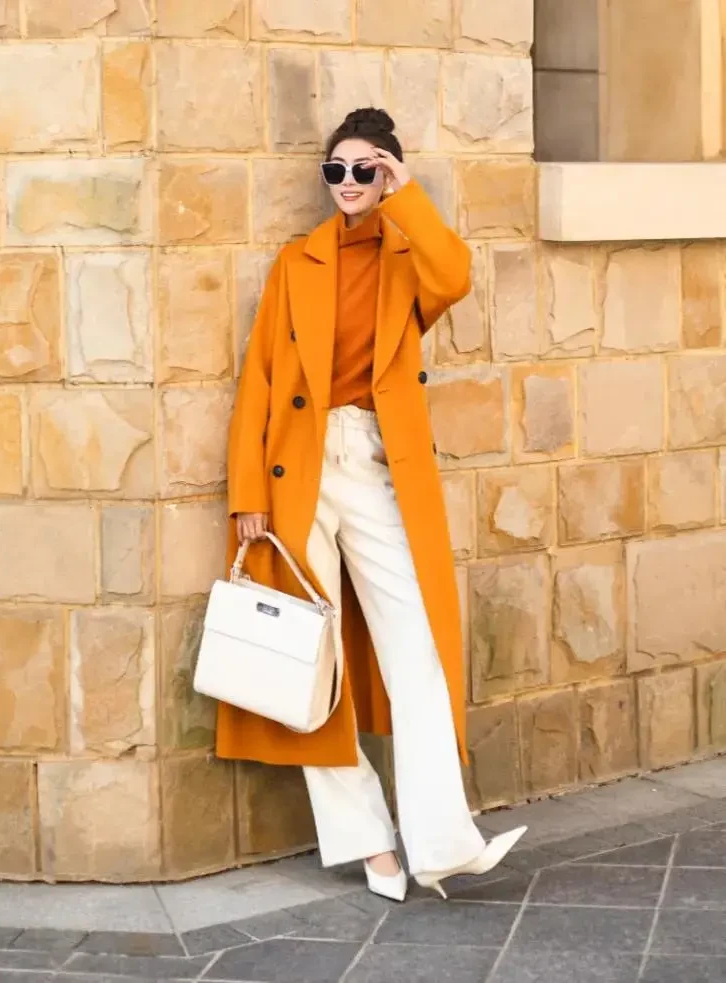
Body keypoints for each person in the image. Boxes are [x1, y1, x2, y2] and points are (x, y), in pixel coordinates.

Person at [217, 108, 526, 902]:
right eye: (338, 170)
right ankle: (368, 843)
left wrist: (408, 194)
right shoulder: (298, 261)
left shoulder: (406, 257)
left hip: (372, 460)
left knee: (418, 648)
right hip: (296, 469)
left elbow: (456, 275)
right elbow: (259, 378)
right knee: (311, 663)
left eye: (366, 169)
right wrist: (248, 492)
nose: (349, 182)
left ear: (387, 174)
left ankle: (443, 841)